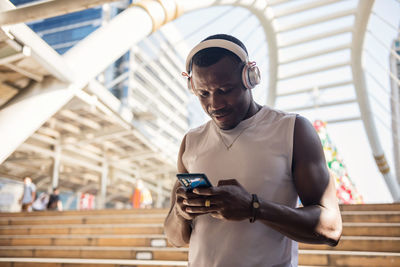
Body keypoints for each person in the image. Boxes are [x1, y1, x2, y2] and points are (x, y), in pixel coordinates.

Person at [164, 34, 342, 266]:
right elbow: (174, 238)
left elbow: (331, 228)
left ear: (250, 78)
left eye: (225, 90)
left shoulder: (293, 130)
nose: (214, 105)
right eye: (203, 94)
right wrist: (181, 213)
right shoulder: (191, 141)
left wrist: (253, 207)